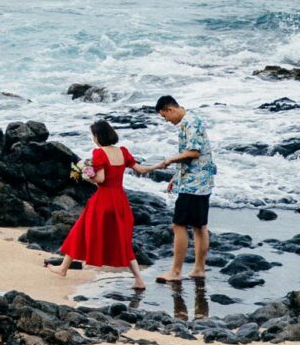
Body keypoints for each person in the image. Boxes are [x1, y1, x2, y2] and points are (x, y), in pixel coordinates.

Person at [57, 117, 145, 293]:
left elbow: (101, 179)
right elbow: (141, 169)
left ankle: (63, 268)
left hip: (102, 201)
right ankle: (139, 279)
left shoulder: (99, 153)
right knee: (123, 240)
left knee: (80, 231)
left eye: (93, 135)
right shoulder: (122, 151)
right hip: (120, 200)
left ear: (97, 136)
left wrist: (87, 174)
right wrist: (161, 165)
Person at [141, 95, 215, 284]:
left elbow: (193, 152)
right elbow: (196, 156)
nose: (167, 121)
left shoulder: (189, 122)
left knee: (179, 225)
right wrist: (177, 176)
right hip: (199, 181)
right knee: (199, 226)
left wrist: (170, 160)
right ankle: (199, 269)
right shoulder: (192, 120)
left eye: (165, 117)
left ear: (170, 109)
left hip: (194, 184)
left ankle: (175, 271)